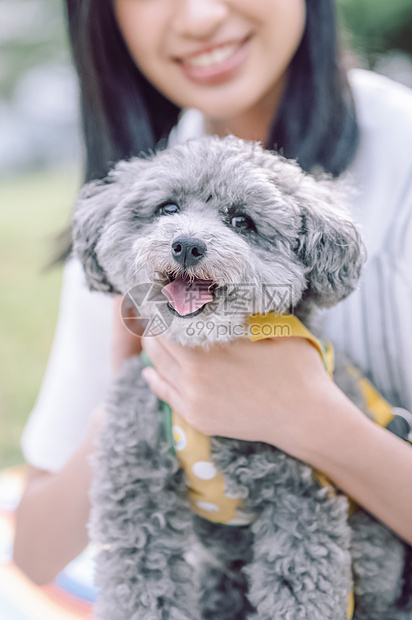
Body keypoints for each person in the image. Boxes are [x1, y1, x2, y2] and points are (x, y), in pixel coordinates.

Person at [13, 0, 412, 597]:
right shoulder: (131, 216)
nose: (199, 16)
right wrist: (145, 398)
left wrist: (311, 419)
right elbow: (35, 551)